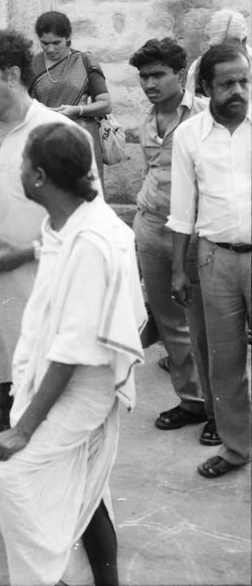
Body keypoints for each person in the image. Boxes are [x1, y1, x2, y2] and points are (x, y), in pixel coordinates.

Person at [0, 29, 100, 522]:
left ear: (11, 75)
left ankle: (52, 506)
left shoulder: (59, 135)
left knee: (39, 410)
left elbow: (86, 225)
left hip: (39, 302)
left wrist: (26, 251)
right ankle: (5, 496)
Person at [0, 121, 145, 586]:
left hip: (82, 386)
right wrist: (28, 252)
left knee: (9, 477)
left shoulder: (93, 243)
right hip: (57, 377)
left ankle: (46, 576)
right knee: (88, 489)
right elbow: (60, 244)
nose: (18, 170)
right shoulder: (72, 219)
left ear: (38, 178)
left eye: (22, 164)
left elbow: (73, 351)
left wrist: (24, 430)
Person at [169, 44, 251, 479]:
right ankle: (237, 447)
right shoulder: (189, 136)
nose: (238, 90)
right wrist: (180, 269)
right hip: (215, 259)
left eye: (244, 80)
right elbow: (183, 209)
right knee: (225, 360)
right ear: (205, 88)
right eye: (227, 84)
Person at [128, 39, 213, 440]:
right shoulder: (147, 120)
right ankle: (192, 401)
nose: (149, 83)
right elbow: (153, 171)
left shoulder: (203, 115)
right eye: (144, 76)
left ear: (180, 75)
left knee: (203, 324)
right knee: (167, 320)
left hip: (192, 233)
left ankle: (220, 412)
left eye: (158, 75)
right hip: (149, 226)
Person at [28, 11, 112, 180]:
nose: (50, 49)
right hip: (45, 138)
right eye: (45, 43)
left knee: (85, 191)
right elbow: (23, 103)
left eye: (56, 43)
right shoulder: (32, 64)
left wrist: (77, 110)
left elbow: (106, 104)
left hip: (81, 136)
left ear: (67, 37)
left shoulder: (84, 61)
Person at [185, 8, 251, 96]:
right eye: (215, 49)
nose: (221, 55)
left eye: (229, 50)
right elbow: (191, 105)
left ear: (243, 42)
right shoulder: (198, 67)